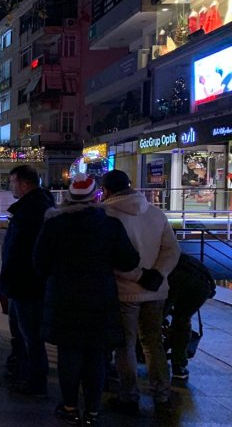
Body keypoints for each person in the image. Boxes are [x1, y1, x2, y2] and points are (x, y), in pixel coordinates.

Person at [34, 175, 140, 426]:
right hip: (100, 299)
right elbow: (129, 261)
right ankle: (92, 410)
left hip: (64, 299)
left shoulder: (54, 225)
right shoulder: (110, 225)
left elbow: (39, 264)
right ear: (96, 197)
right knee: (95, 356)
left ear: (68, 197)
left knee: (68, 354)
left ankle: (70, 406)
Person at [100, 170, 181, 414]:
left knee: (124, 345)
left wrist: (137, 275)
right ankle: (162, 394)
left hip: (124, 291)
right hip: (156, 291)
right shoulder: (156, 214)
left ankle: (129, 395)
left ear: (106, 191)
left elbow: (110, 258)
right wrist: (158, 274)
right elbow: (172, 250)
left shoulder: (105, 214)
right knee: (153, 343)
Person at [0, 164, 55, 395]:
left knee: (30, 334)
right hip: (25, 283)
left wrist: (7, 284)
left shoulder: (31, 211)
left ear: (24, 183)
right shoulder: (37, 206)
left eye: (12, 182)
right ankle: (25, 373)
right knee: (25, 333)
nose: (11, 186)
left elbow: (19, 252)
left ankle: (35, 380)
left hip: (26, 284)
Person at [165, 253, 216, 380]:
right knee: (182, 320)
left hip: (183, 281)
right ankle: (179, 365)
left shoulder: (168, 263)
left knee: (158, 319)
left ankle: (160, 356)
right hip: (202, 285)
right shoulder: (177, 256)